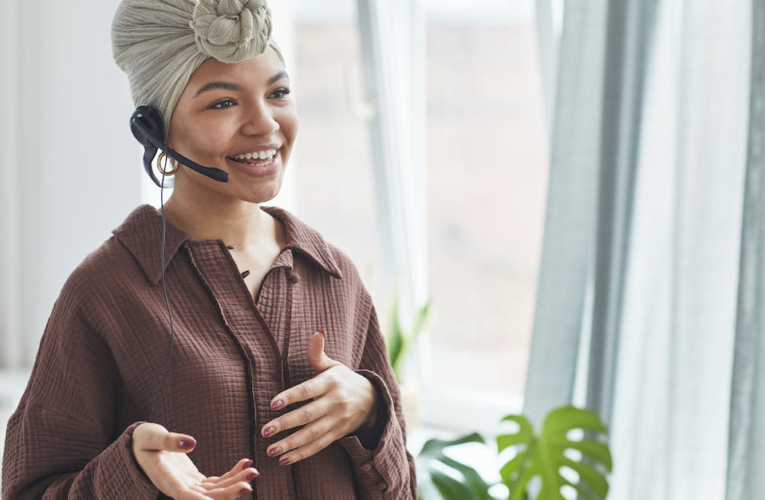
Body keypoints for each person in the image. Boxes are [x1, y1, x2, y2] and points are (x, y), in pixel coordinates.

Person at [0, 0, 417, 498]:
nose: (265, 124)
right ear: (155, 128)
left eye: (278, 92)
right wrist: (132, 471)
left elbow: (403, 489)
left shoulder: (336, 278)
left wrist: (371, 413)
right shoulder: (107, 292)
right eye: (223, 102)